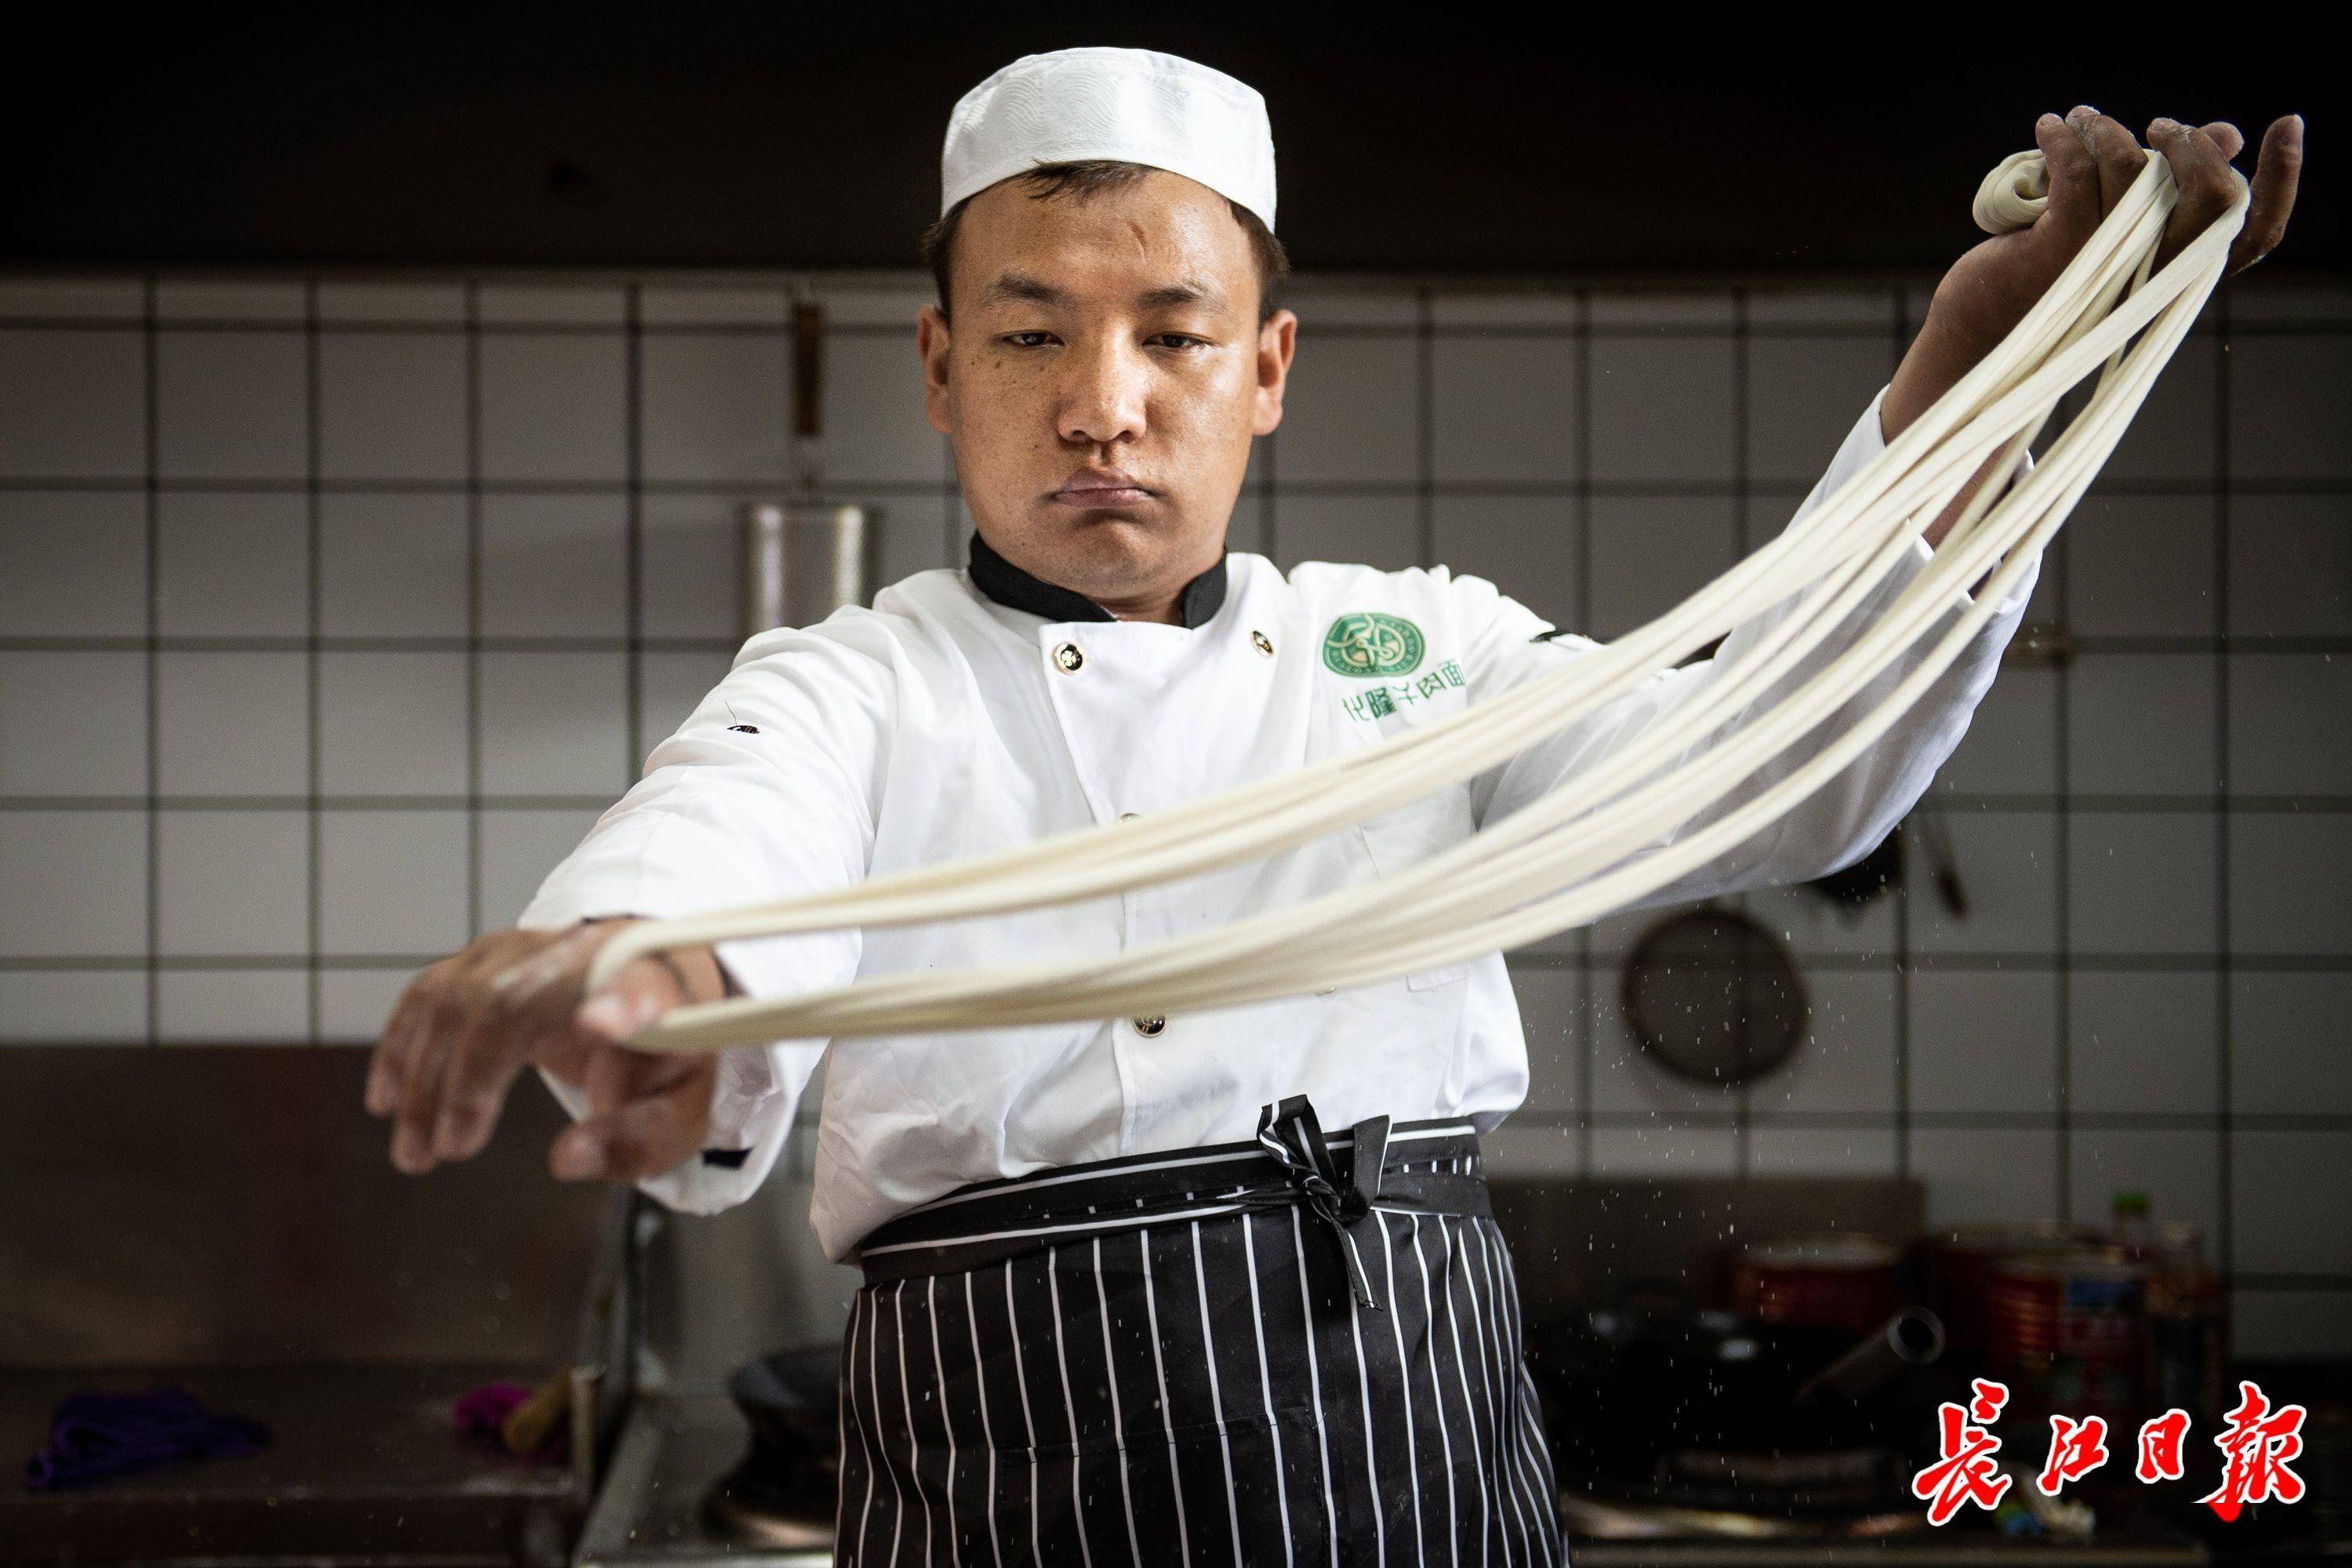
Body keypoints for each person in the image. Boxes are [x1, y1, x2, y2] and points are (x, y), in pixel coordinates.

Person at [365, 47, 2302, 1565]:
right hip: (1000, 1471)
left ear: (1267, 369)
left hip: (1409, 1436)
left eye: (1173, 336)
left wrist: (1992, 367)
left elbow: (1768, 763)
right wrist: (637, 978)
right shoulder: (854, 684)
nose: (1102, 403)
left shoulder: (1418, 657)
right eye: (1031, 333)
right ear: (942, 370)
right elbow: (720, 843)